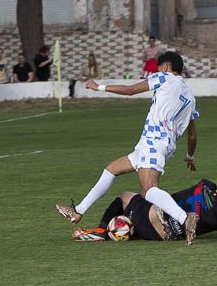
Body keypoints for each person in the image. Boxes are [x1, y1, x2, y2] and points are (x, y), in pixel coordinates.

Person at [55, 51, 201, 244]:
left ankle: (184, 218)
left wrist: (98, 87)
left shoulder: (164, 77)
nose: (155, 72)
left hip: (154, 142)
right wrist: (190, 156)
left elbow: (130, 90)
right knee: (111, 169)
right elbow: (192, 133)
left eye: (157, 68)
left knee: (149, 190)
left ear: (165, 67)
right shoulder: (190, 97)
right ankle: (78, 211)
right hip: (155, 145)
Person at [72, 179, 217, 242]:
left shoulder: (204, 184)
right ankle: (125, 231)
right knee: (136, 201)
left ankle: (103, 229)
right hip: (162, 235)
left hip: (150, 214)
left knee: (125, 197)